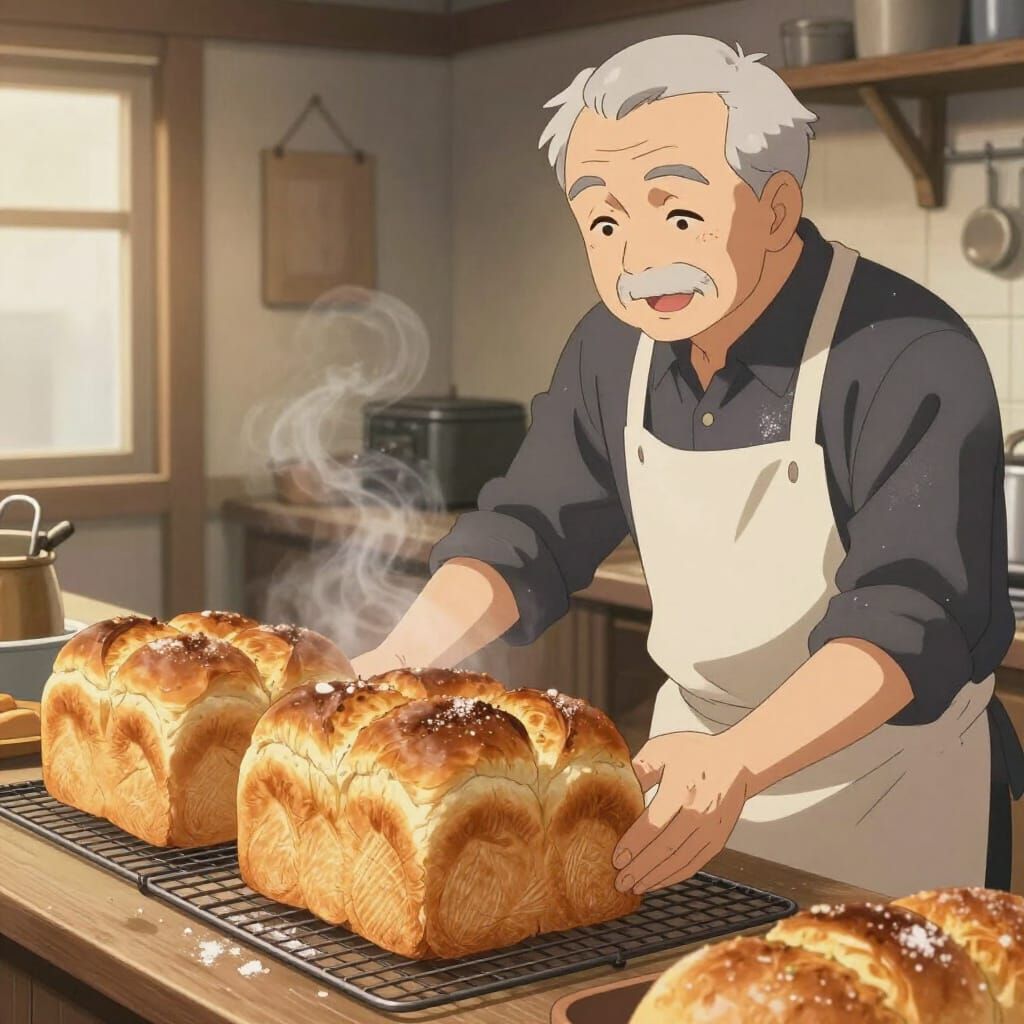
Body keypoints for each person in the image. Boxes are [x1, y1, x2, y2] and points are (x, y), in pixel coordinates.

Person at [352, 34, 1024, 897]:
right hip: (689, 779)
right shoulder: (611, 349)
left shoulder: (907, 352)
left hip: (887, 796)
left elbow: (907, 617)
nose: (637, 259)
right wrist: (397, 659)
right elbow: (525, 534)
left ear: (777, 208)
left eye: (676, 213)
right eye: (603, 221)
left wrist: (741, 761)